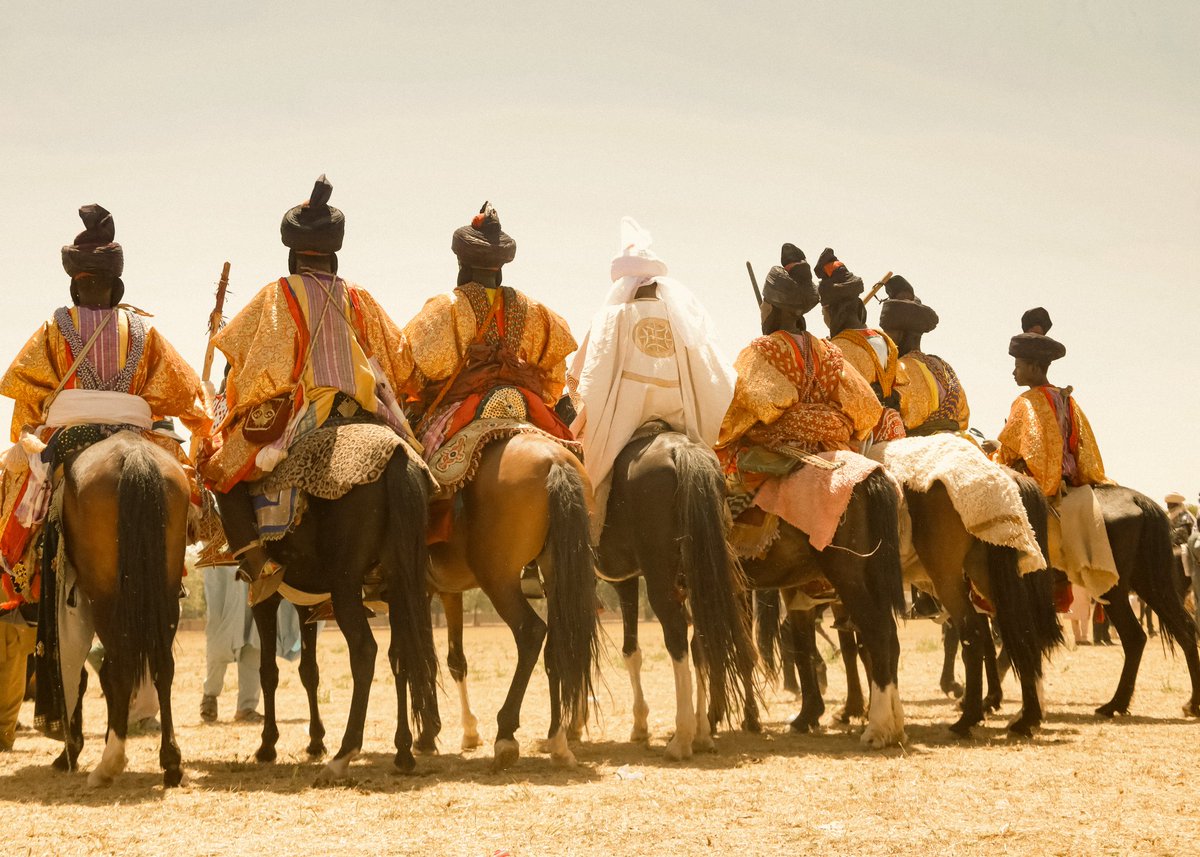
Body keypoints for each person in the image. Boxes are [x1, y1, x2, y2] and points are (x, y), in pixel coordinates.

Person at [198, 176, 417, 605]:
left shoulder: (276, 296)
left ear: (292, 253)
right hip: (365, 408)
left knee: (221, 470)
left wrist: (232, 401)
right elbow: (401, 363)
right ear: (334, 254)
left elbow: (252, 367)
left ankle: (259, 563)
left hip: (302, 409)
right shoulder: (360, 298)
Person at [0, 204, 210, 612]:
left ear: (75, 288)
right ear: (117, 288)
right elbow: (183, 390)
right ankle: (180, 563)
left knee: (20, 490)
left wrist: (24, 438)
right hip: (134, 431)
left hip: (68, 432)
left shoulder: (52, 328)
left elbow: (27, 398)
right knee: (185, 487)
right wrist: (203, 426)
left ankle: (18, 570)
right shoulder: (145, 332)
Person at [396, 203, 579, 552]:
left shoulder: (447, 306)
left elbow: (412, 367)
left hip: (468, 404)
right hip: (525, 403)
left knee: (418, 465)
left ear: (462, 264)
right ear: (501, 267)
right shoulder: (533, 309)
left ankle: (420, 545)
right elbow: (554, 372)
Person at [567, 217, 734, 526]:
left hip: (624, 421)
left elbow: (587, 375)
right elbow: (714, 375)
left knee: (591, 477)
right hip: (680, 420)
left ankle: (589, 533)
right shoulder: (682, 320)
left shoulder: (612, 317)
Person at [716, 246, 881, 482]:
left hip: (782, 448)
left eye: (765, 304)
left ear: (771, 307)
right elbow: (867, 408)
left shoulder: (762, 350)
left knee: (719, 469)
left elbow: (734, 410)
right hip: (832, 447)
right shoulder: (830, 351)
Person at [990, 308, 1116, 599]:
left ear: (1033, 367)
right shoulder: (1066, 397)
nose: (1013, 371)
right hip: (1072, 481)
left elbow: (1010, 454)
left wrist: (992, 459)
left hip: (1042, 486)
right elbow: (1085, 447)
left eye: (1018, 365)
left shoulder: (1026, 401)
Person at [815, 248, 905, 445]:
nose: (823, 318)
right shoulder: (886, 340)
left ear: (831, 310)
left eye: (823, 311)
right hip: (892, 428)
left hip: (862, 437)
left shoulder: (838, 349)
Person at [200, 563, 304, 724]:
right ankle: (210, 695)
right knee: (220, 637)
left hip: (256, 568)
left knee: (256, 639)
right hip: (222, 565)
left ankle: (246, 707)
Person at [877, 277, 971, 438]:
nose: (885, 338)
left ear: (900, 334)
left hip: (918, 447)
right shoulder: (944, 366)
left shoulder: (899, 368)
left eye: (888, 332)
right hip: (960, 440)